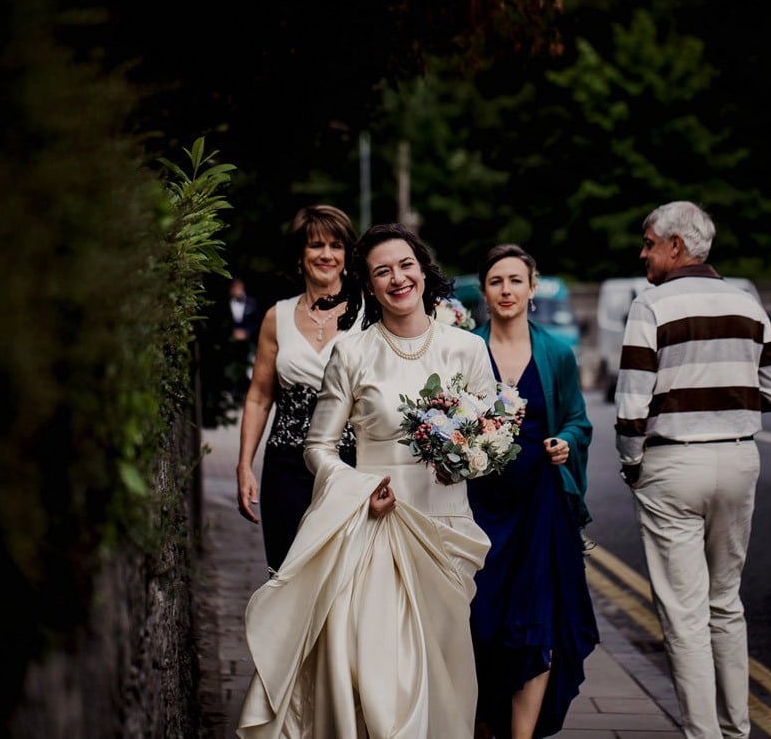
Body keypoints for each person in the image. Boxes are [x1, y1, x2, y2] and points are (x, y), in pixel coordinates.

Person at [237, 223, 497, 738]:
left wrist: (470, 458)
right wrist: (358, 491)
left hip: (446, 530)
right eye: (382, 272)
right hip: (377, 525)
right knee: (380, 676)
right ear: (369, 285)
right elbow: (318, 447)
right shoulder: (352, 353)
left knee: (443, 674)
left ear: (423, 269)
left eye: (405, 265)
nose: (397, 278)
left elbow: (490, 437)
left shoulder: (467, 349)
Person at [614, 201, 771, 739]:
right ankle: (736, 730)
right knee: (725, 603)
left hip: (672, 462)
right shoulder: (746, 304)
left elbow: (630, 407)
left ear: (676, 246)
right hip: (739, 458)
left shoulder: (651, 306)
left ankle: (702, 735)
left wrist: (632, 464)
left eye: (648, 243)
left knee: (684, 613)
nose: (643, 253)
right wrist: (725, 401)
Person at [468, 244, 599, 739]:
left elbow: (578, 422)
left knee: (538, 624)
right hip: (479, 507)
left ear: (532, 286)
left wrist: (565, 443)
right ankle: (481, 726)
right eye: (497, 281)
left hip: (540, 507)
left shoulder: (557, 353)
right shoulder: (465, 349)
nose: (506, 290)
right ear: (485, 290)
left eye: (515, 280)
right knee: (481, 624)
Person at [235, 205, 362, 572]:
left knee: (343, 581)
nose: (326, 255)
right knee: (287, 575)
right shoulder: (277, 316)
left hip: (351, 467)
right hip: (286, 467)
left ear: (346, 255)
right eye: (316, 245)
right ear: (300, 254)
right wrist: (244, 466)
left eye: (336, 245)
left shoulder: (368, 315)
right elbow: (259, 397)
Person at [226, 276, 261, 401]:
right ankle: (232, 394)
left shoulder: (251, 303)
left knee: (248, 368)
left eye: (238, 288)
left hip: (248, 343)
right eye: (234, 288)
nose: (236, 291)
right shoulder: (225, 304)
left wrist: (246, 333)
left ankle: (246, 393)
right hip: (231, 344)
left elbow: (257, 323)